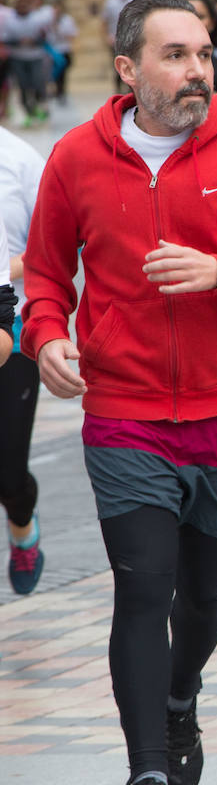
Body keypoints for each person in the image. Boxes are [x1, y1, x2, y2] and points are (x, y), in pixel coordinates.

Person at [19, 0, 217, 785]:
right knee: (142, 588)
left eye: (204, 53)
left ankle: (181, 693)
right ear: (129, 69)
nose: (200, 71)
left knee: (204, 597)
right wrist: (46, 334)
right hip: (123, 411)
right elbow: (47, 271)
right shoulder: (78, 158)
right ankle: (146, 776)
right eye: (177, 56)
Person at [0, 125, 36, 594]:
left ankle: (22, 522)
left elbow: (65, 243)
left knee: (7, 471)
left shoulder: (21, 161)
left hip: (15, 327)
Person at [2, 0, 53, 128]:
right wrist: (19, 42)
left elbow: (46, 38)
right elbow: (5, 39)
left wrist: (34, 41)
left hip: (35, 56)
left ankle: (39, 106)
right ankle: (29, 112)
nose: (23, 7)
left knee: (37, 82)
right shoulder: (10, 20)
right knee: (23, 86)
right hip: (17, 57)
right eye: (20, 4)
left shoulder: (38, 19)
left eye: (26, 4)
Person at [102, 0, 139, 94]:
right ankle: (118, 92)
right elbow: (105, 22)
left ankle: (130, 91)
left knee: (132, 65)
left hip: (132, 39)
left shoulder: (136, 0)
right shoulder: (110, 3)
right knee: (118, 67)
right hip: (116, 40)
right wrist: (107, 37)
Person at [48, 0, 78, 104]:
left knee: (63, 74)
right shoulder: (48, 20)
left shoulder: (68, 20)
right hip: (52, 50)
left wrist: (60, 31)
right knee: (54, 73)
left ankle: (61, 92)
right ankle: (55, 90)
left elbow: (72, 35)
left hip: (64, 49)